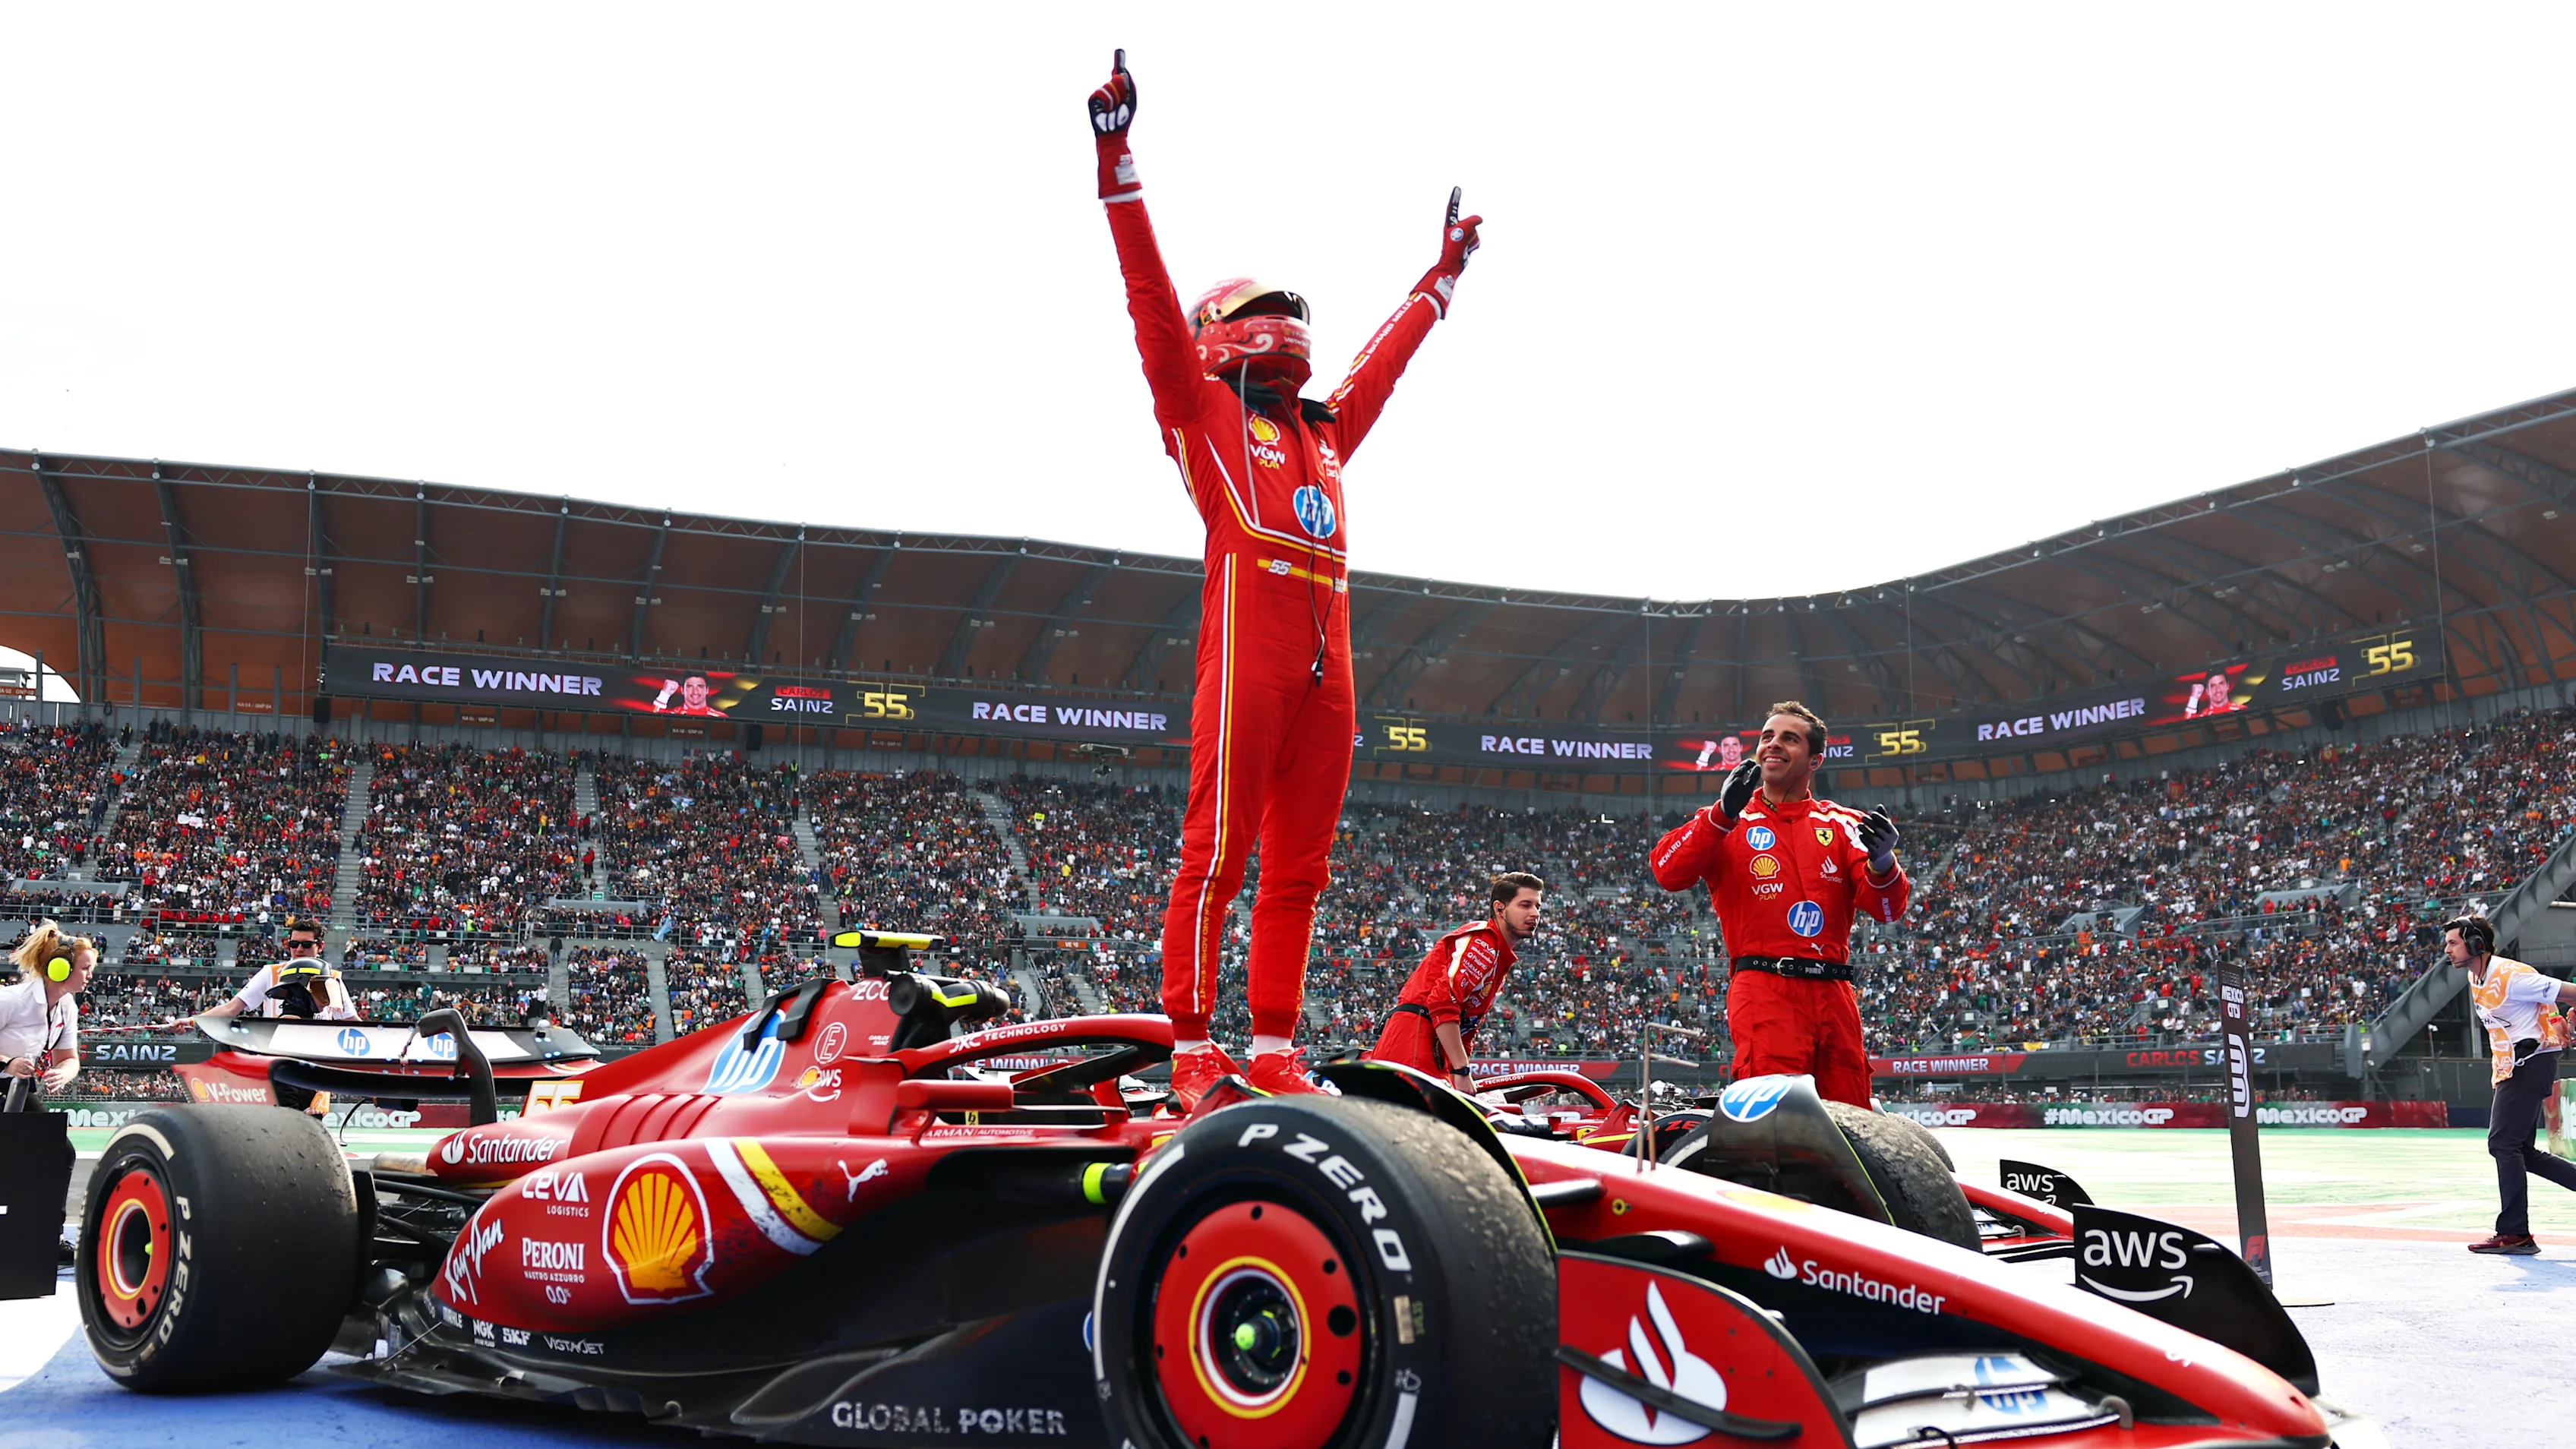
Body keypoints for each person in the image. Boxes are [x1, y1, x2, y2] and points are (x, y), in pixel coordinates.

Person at [1088, 50, 1483, 1106]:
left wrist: (1440, 280)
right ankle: (1190, 1042)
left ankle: (1271, 1048)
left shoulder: (1324, 431)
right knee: (1216, 852)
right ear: (1220, 333)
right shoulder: (1200, 412)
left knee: (1300, 871)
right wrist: (1118, 163)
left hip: (1329, 675)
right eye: (1264, 307)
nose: (1285, 318)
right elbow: (1148, 302)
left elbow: (1385, 362)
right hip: (1247, 662)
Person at [1647, 702, 1906, 1107]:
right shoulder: (1728, 820)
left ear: (1815, 760)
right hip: (1765, 988)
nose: (1773, 744)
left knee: (1851, 1116)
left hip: (1835, 994)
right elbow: (1667, 872)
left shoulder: (1846, 825)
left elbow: (1888, 910)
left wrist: (1884, 862)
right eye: (1767, 736)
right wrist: (1720, 814)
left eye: (1789, 738)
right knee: (1775, 1119)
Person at [2447, 913, 2576, 1254]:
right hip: (2512, 1067)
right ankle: (2515, 1232)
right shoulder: (2476, 977)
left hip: (2530, 1063)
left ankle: (2515, 1233)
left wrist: (2569, 1015)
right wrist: (2554, 1018)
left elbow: (2568, 993)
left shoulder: (2512, 976)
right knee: (2522, 1152)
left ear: (2476, 944)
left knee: (2503, 1144)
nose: (2447, 950)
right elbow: (2541, 1006)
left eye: (2453, 943)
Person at [1369, 873, 1545, 1090]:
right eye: (1525, 905)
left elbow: (1467, 1027)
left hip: (1427, 1049)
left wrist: (1459, 1069)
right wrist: (1461, 1070)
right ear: (1500, 909)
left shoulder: (1497, 954)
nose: (1535, 913)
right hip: (1413, 1046)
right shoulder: (1484, 942)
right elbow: (1442, 1003)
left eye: (1538, 906)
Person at [193, 920, 359, 1023]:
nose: (299, 949)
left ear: (320, 946)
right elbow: (232, 1008)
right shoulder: (271, 973)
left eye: (306, 944)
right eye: (294, 944)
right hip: (276, 1050)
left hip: (318, 1051)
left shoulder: (333, 978)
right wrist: (192, 1021)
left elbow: (350, 1020)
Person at [2, 919, 93, 1103]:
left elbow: (69, 1059)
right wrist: (7, 1063)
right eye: (85, 969)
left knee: (44, 1122)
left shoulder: (67, 1006)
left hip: (15, 1087)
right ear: (60, 968)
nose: (90, 976)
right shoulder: (11, 999)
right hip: (7, 1082)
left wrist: (63, 1073)